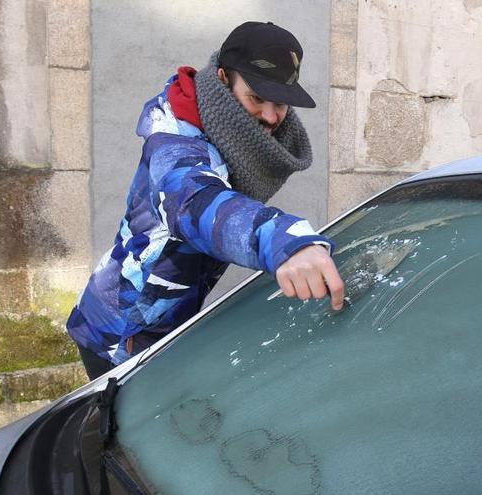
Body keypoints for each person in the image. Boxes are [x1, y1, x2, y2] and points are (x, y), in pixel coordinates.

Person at [66, 21, 344, 380]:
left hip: (169, 320)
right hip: (121, 330)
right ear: (224, 78)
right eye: (257, 98)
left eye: (281, 103)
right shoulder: (174, 142)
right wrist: (282, 240)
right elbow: (194, 202)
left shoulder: (232, 135)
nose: (272, 117)